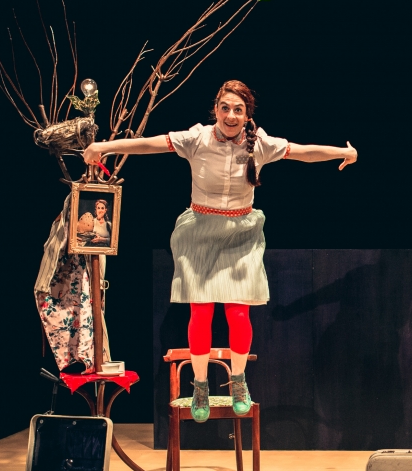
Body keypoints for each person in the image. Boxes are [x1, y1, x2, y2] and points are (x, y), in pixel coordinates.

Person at [83, 80, 356, 421]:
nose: (230, 115)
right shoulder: (197, 138)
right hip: (200, 231)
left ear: (247, 115)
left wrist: (343, 153)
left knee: (238, 313)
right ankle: (200, 385)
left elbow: (303, 151)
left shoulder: (260, 144)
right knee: (201, 313)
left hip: (241, 234)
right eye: (225, 108)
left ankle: (238, 381)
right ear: (215, 109)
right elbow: (150, 143)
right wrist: (105, 147)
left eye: (238, 110)